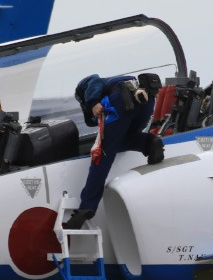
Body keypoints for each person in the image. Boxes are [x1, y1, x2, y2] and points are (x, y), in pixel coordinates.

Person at [64, 73, 164, 229]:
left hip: (121, 101)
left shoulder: (86, 87)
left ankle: (87, 207)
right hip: (147, 102)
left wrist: (93, 102)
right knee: (122, 139)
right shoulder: (121, 81)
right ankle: (148, 142)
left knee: (102, 155)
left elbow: (93, 79)